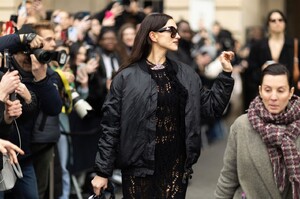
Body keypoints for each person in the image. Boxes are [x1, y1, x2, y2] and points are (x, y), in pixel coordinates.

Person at [91, 13, 234, 198]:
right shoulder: (126, 77)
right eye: (172, 31)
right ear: (153, 35)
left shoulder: (186, 74)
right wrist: (102, 172)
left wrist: (226, 75)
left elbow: (211, 107)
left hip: (175, 165)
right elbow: (111, 127)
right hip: (138, 167)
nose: (178, 36)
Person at [215, 63, 300, 198]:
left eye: (280, 90)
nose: (273, 97)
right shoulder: (241, 127)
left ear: (290, 93)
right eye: (267, 90)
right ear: (260, 91)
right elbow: (228, 177)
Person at [244, 9, 300, 110]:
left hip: (291, 95)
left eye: (280, 20)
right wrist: (262, 69)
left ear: (285, 23)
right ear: (268, 24)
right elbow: (250, 73)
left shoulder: (295, 44)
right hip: (265, 97)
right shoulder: (258, 46)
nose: (277, 23)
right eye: (273, 20)